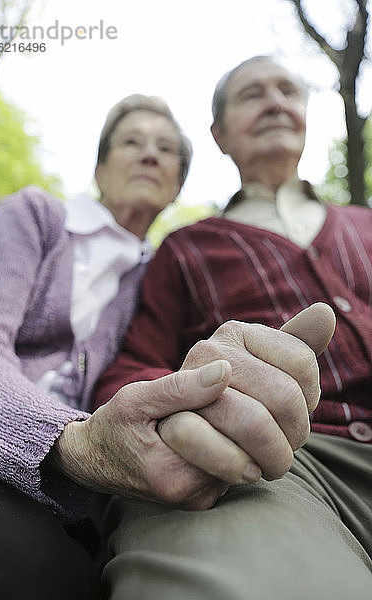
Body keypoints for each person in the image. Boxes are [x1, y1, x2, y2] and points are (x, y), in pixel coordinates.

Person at [94, 56, 372, 599]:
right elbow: (127, 373)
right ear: (220, 135)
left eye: (288, 91)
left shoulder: (366, 225)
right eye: (252, 94)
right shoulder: (186, 247)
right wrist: (193, 398)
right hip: (276, 467)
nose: (275, 101)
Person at [0, 93, 192, 599]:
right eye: (131, 142)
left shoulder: (161, 273)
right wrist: (66, 441)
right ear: (100, 167)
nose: (149, 154)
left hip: (81, 492)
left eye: (166, 149)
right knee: (39, 570)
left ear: (177, 184)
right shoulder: (38, 216)